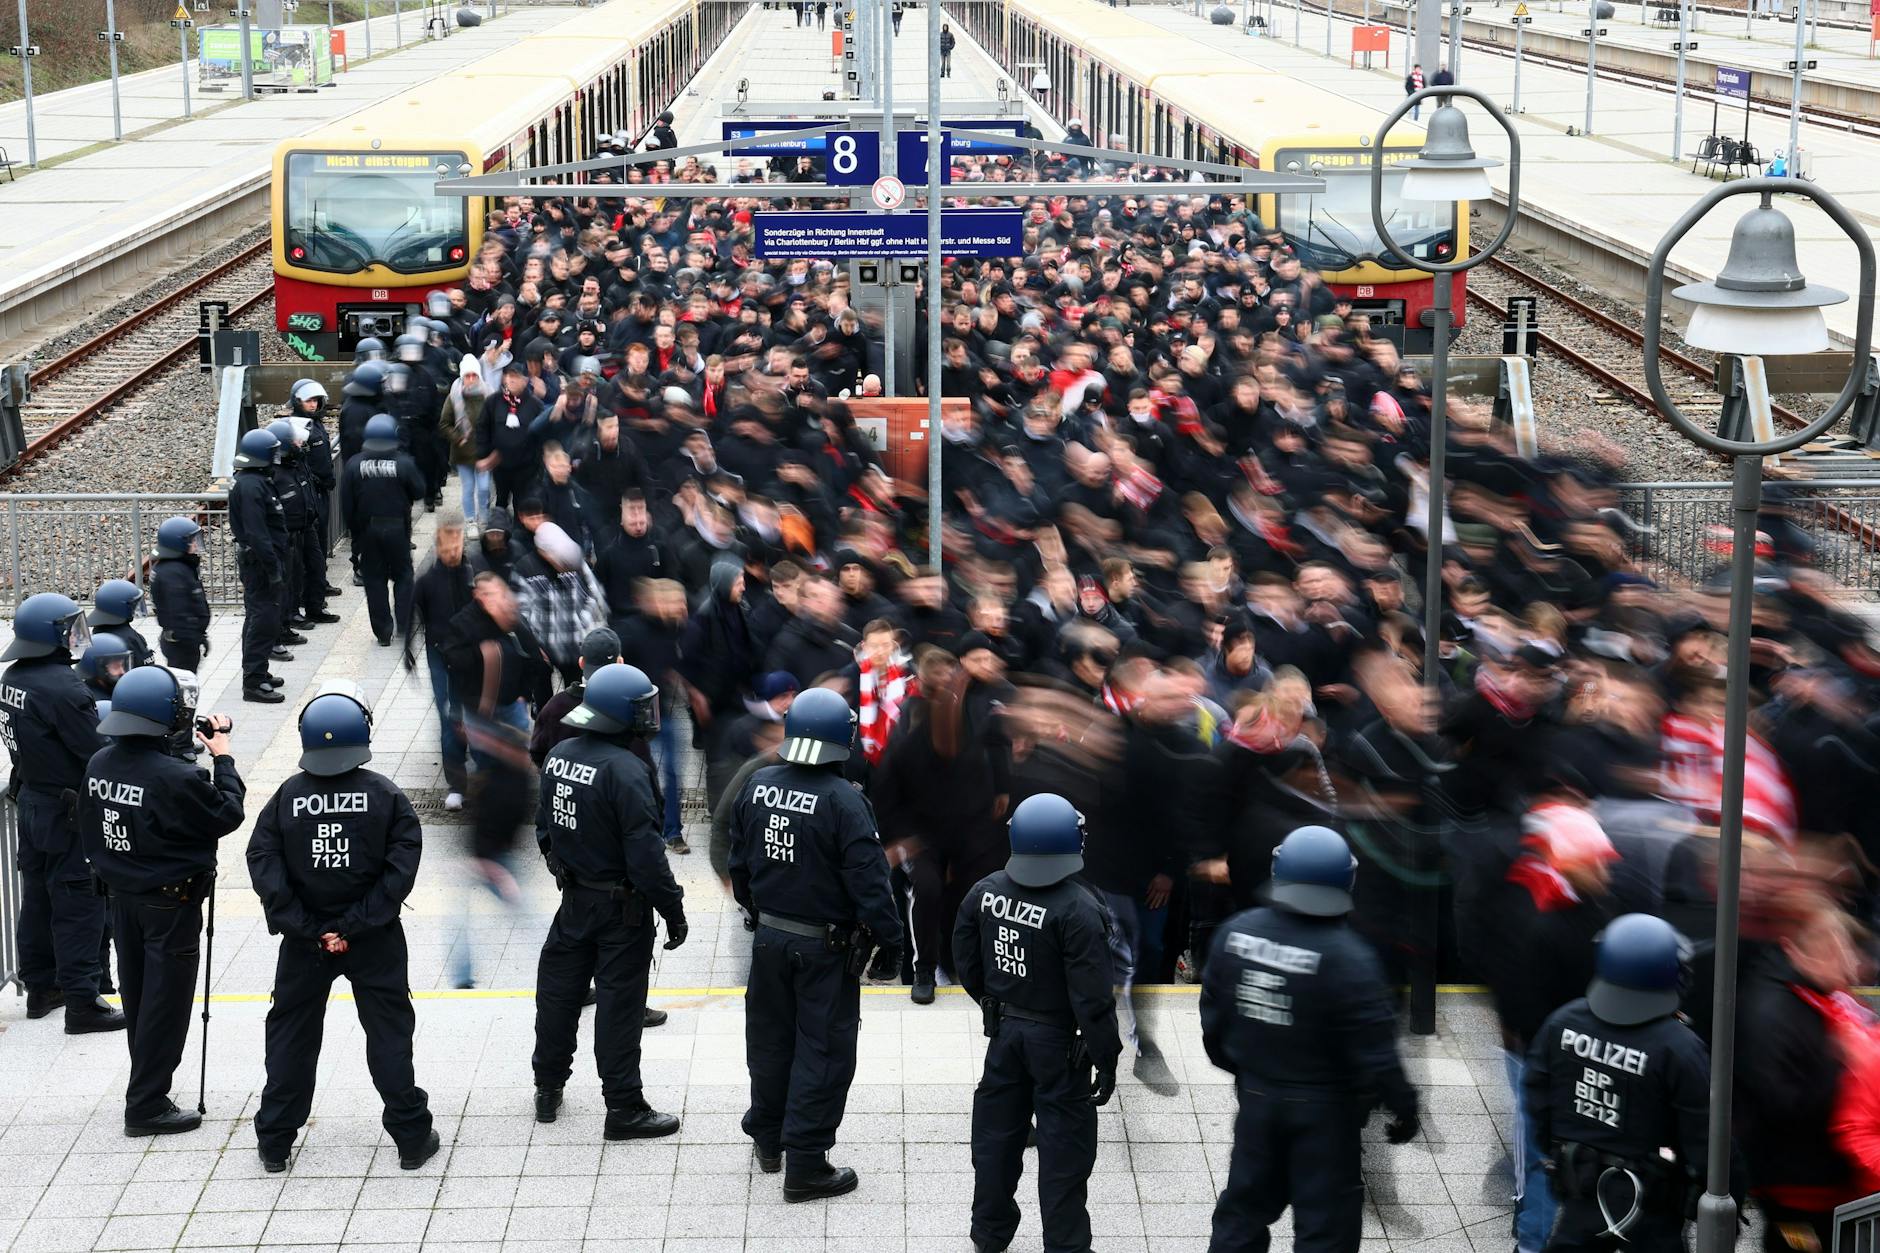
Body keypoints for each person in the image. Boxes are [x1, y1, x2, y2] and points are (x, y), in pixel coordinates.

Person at [1200, 826, 1421, 1253]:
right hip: (1327, 1115)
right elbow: (1376, 1053)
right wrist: (1403, 1107)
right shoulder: (1350, 959)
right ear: (1347, 880)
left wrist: (1246, 1070)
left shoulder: (1235, 934)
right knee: (1325, 1232)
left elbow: (1214, 1021)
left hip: (1258, 1100)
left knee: (1242, 1215)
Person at [246, 687, 438, 1172]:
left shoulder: (287, 797)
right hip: (373, 939)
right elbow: (399, 873)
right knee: (389, 1032)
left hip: (305, 944)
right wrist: (352, 925)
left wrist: (311, 929)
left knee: (291, 1034)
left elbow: (263, 864)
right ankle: (412, 1137)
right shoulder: (386, 796)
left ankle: (274, 1141)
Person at [728, 686, 905, 1200]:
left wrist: (761, 914)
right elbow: (871, 885)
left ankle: (767, 1137)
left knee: (769, 1041)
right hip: (825, 951)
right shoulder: (845, 800)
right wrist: (891, 943)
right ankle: (806, 1164)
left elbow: (740, 865)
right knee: (822, 1051)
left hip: (769, 940)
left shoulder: (758, 784)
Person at [79, 666, 245, 1134]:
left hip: (122, 899)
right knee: (166, 1003)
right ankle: (146, 1104)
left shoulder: (100, 764)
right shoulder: (178, 777)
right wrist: (224, 757)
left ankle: (146, 1086)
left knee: (138, 997)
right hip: (169, 906)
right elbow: (227, 814)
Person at [954, 793, 1121, 1253]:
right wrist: (1106, 1058)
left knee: (995, 1145)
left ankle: (989, 1237)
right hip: (1060, 1046)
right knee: (1064, 1155)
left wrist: (994, 1004)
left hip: (1005, 1036)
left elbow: (966, 960)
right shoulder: (1079, 909)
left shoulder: (984, 892)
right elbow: (1093, 998)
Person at [532, 664, 688, 1139]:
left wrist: (565, 871)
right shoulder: (626, 769)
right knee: (620, 1008)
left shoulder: (558, 756)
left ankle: (547, 1088)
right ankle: (624, 1108)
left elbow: (545, 829)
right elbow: (645, 856)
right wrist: (673, 909)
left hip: (574, 900)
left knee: (558, 997)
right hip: (622, 910)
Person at [1524, 914, 1709, 1252]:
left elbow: (1537, 1096)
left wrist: (1559, 1149)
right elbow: (1705, 1135)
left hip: (1581, 1188)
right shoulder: (1679, 1047)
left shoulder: (1564, 1022)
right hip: (1653, 1202)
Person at [0, 593, 121, 1031]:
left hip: (31, 802)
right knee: (78, 905)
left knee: (37, 899)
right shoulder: (63, 687)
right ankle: (82, 1003)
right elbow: (94, 749)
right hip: (67, 811)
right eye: (68, 628)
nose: (75, 636)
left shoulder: (13, 678)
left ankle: (41, 988)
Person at [342, 414, 426, 647]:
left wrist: (356, 534)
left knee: (374, 581)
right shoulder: (403, 463)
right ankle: (404, 624)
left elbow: (347, 504)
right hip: (397, 528)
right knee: (403, 576)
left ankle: (383, 632)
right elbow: (419, 491)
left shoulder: (354, 465)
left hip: (368, 530)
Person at [409, 517, 475, 811]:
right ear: (438, 545)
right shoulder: (426, 581)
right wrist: (407, 648)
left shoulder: (473, 574)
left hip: (470, 655)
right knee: (449, 715)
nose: (453, 552)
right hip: (439, 653)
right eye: (448, 546)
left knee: (469, 712)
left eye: (457, 545)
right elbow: (413, 613)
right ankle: (456, 782)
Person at [227, 427, 290, 703]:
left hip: (262, 560)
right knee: (262, 619)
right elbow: (257, 532)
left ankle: (258, 670)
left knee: (260, 616)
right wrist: (272, 568)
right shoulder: (251, 485)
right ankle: (252, 682)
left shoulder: (254, 481)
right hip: (260, 563)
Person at [150, 517, 212, 676]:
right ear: (178, 544)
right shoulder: (174, 573)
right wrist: (194, 637)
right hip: (181, 644)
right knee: (184, 681)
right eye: (192, 541)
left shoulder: (177, 567)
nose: (196, 545)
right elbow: (179, 613)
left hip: (183, 641)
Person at [87, 579, 154, 669]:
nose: (135, 610)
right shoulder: (128, 638)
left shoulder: (99, 632)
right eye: (134, 606)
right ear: (122, 608)